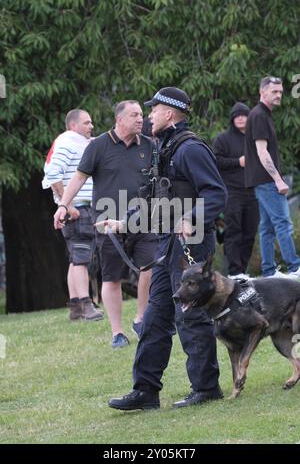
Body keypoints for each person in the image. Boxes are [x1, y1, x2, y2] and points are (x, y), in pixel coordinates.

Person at [104, 87, 227, 410]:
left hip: (191, 244)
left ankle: (206, 387)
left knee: (190, 314)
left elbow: (216, 193)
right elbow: (152, 196)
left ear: (170, 114)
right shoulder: (165, 147)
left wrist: (191, 218)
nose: (149, 116)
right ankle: (145, 391)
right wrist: (125, 221)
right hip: (166, 244)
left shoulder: (190, 149)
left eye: (154, 110)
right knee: (155, 318)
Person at [54, 101, 156, 348]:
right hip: (107, 221)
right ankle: (117, 332)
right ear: (120, 120)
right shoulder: (98, 145)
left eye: (141, 114)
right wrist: (63, 205)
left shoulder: (150, 146)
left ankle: (141, 319)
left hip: (141, 219)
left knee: (150, 268)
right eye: (134, 115)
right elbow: (78, 178)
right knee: (111, 278)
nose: (140, 119)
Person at [43, 109, 103, 321]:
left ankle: (76, 306)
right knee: (81, 259)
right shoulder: (68, 142)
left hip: (78, 208)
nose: (91, 126)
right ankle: (87, 305)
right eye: (87, 123)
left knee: (75, 258)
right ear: (74, 126)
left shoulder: (74, 142)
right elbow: (52, 174)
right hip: (78, 208)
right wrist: (66, 204)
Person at [245, 76, 300, 278]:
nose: (279, 95)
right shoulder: (259, 115)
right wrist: (278, 179)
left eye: (280, 91)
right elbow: (262, 151)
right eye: (274, 91)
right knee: (283, 224)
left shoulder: (262, 114)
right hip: (267, 181)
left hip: (262, 181)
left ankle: (269, 271)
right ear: (262, 92)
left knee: (267, 228)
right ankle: (295, 268)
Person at [213, 102, 259, 279]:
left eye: (244, 115)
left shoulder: (255, 138)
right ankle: (234, 272)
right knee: (233, 232)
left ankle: (243, 271)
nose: (240, 118)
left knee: (250, 233)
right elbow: (215, 160)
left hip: (254, 192)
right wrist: (237, 162)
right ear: (232, 119)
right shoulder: (223, 139)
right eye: (237, 115)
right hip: (231, 192)